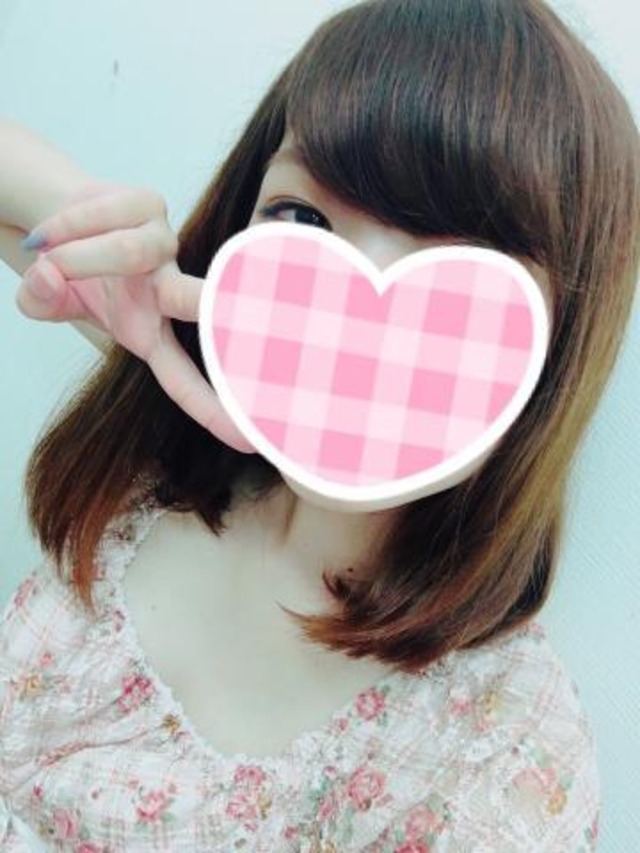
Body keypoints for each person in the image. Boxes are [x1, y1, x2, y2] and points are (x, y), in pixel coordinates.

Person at [1, 0, 638, 848]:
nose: (348, 315)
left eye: (462, 269)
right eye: (302, 218)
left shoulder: (501, 760)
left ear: (556, 350)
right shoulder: (183, 433)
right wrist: (90, 217)